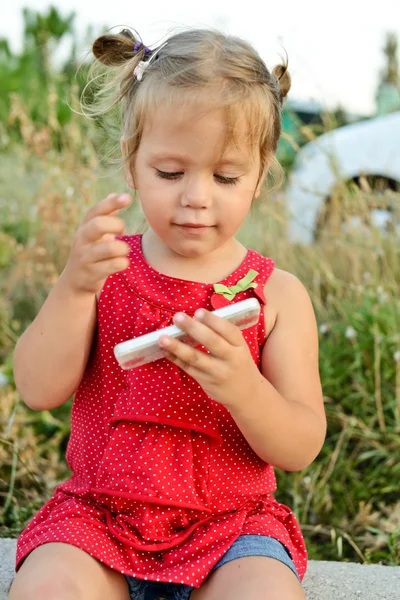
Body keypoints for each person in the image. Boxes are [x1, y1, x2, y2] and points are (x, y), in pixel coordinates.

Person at [9, 27, 326, 600]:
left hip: (230, 530)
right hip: (99, 519)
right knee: (48, 587)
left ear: (259, 175)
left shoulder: (275, 295)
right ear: (132, 164)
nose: (196, 197)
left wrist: (243, 388)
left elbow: (301, 444)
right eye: (170, 173)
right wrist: (75, 288)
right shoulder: (105, 268)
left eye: (225, 176)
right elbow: (36, 388)